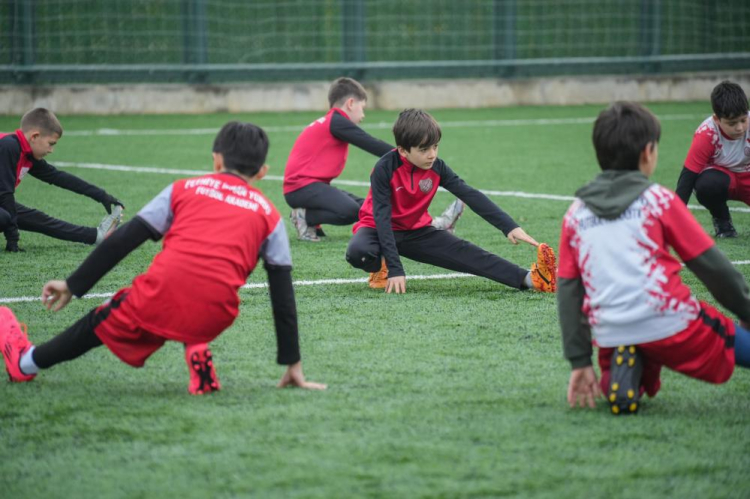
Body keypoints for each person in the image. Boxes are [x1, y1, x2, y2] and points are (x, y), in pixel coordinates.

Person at [0, 122, 326, 395]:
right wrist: (292, 363)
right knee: (195, 297)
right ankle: (195, 345)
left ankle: (25, 363)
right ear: (263, 172)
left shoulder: (183, 189)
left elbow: (124, 240)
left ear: (216, 160)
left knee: (104, 317)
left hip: (159, 298)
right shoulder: (269, 214)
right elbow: (283, 295)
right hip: (217, 314)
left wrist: (74, 284)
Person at [558, 101, 750, 415]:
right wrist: (745, 310)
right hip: (670, 322)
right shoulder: (658, 201)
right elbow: (712, 267)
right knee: (727, 339)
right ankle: (637, 350)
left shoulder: (574, 215)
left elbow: (569, 291)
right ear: (648, 153)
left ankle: (627, 359)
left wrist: (579, 361)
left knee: (622, 360)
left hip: (610, 331)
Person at [345, 108, 557, 294]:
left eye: (435, 146)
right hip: (376, 229)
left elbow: (469, 194)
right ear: (403, 151)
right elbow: (382, 217)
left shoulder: (437, 167)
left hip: (415, 231)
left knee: (468, 253)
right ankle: (379, 265)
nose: (432, 155)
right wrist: (395, 268)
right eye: (424, 149)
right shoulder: (384, 168)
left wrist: (508, 226)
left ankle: (531, 279)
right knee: (358, 252)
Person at [283, 77, 464, 242]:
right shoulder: (337, 121)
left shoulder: (332, 122)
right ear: (350, 103)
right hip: (301, 188)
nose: (363, 115)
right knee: (351, 211)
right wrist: (407, 155)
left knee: (368, 207)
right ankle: (304, 217)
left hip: (308, 187)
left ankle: (433, 225)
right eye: (362, 107)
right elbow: (371, 144)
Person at [0, 108, 124, 252]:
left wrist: (101, 195)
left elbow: (58, 177)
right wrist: (12, 238)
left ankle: (96, 236)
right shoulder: (8, 146)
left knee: (36, 218)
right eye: (51, 143)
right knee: (4, 217)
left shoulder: (26, 153)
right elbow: (5, 194)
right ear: (34, 136)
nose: (51, 150)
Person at [675, 81, 750, 238]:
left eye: (743, 120)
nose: (739, 128)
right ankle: (722, 221)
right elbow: (687, 178)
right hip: (721, 179)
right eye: (732, 123)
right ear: (716, 119)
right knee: (706, 184)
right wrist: (673, 220)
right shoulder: (707, 133)